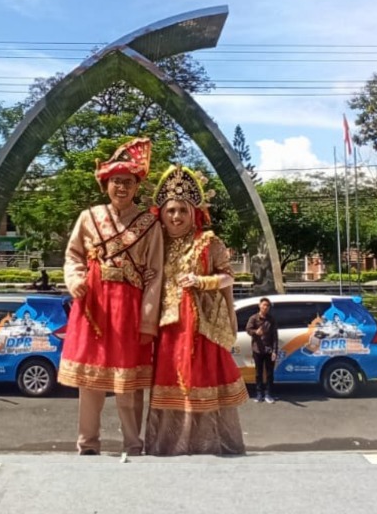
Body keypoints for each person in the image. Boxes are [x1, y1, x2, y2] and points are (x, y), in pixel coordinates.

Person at [59, 137, 163, 456]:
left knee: (128, 385)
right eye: (116, 181)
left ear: (137, 186)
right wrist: (75, 280)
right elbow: (73, 255)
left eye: (128, 182)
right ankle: (87, 442)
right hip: (94, 305)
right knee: (90, 381)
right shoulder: (88, 217)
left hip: (129, 308)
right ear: (105, 184)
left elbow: (156, 273)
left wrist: (148, 320)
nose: (121, 187)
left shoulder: (149, 224)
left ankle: (133, 443)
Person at [145, 165, 248, 456]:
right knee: (169, 384)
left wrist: (202, 281)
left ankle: (206, 445)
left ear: (194, 212)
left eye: (182, 210)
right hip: (167, 328)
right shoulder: (156, 243)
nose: (176, 216)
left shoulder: (208, 242)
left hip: (200, 328)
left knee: (200, 381)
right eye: (170, 210)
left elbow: (228, 277)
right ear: (161, 213)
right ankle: (166, 446)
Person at [245, 297, 279, 403]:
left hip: (269, 350)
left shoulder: (271, 319)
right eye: (264, 305)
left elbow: (275, 336)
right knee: (258, 373)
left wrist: (275, 351)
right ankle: (259, 394)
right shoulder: (253, 318)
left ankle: (268, 394)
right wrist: (255, 332)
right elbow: (248, 329)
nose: (265, 307)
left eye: (267, 305)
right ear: (259, 305)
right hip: (257, 349)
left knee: (269, 374)